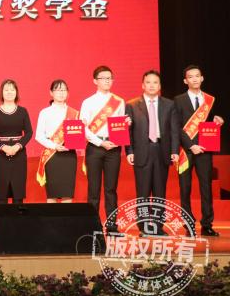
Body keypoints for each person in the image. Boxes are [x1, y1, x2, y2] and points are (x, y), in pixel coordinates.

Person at [125, 70, 180, 235]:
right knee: (142, 192)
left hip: (162, 151)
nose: (151, 85)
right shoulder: (132, 105)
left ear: (160, 85)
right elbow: (128, 131)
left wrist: (175, 150)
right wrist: (129, 151)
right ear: (143, 85)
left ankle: (157, 226)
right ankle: (143, 227)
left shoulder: (169, 104)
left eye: (155, 82)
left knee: (159, 192)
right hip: (142, 151)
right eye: (148, 82)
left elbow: (174, 130)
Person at [174, 65, 224, 236]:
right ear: (185, 81)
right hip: (186, 151)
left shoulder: (210, 100)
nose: (194, 79)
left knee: (206, 188)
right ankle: (188, 224)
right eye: (191, 77)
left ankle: (207, 224)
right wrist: (190, 145)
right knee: (185, 189)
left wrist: (218, 121)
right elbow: (176, 126)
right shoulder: (178, 100)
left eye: (197, 76)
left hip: (205, 150)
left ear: (202, 78)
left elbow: (211, 123)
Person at [79, 65, 126, 232]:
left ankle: (112, 225)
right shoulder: (88, 102)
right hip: (95, 148)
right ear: (95, 81)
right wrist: (100, 142)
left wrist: (125, 126)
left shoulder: (119, 101)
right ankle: (92, 225)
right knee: (93, 189)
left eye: (109, 78)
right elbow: (83, 128)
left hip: (113, 148)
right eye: (103, 78)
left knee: (111, 189)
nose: (107, 81)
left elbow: (120, 125)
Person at [0, 79, 33, 204]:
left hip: (19, 155)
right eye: (6, 90)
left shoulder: (23, 111)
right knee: (2, 194)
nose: (9, 92)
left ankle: (18, 217)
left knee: (18, 194)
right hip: (0, 155)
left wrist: (17, 146)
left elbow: (29, 132)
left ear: (16, 92)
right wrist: (3, 147)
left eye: (12, 89)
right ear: (1, 93)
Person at [35, 79, 80, 203]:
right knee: (52, 194)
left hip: (69, 155)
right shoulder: (45, 112)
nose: (61, 93)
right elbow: (39, 136)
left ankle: (66, 217)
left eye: (64, 90)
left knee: (67, 193)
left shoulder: (75, 113)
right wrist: (55, 146)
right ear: (51, 93)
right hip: (52, 155)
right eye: (58, 90)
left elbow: (79, 135)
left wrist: (83, 127)